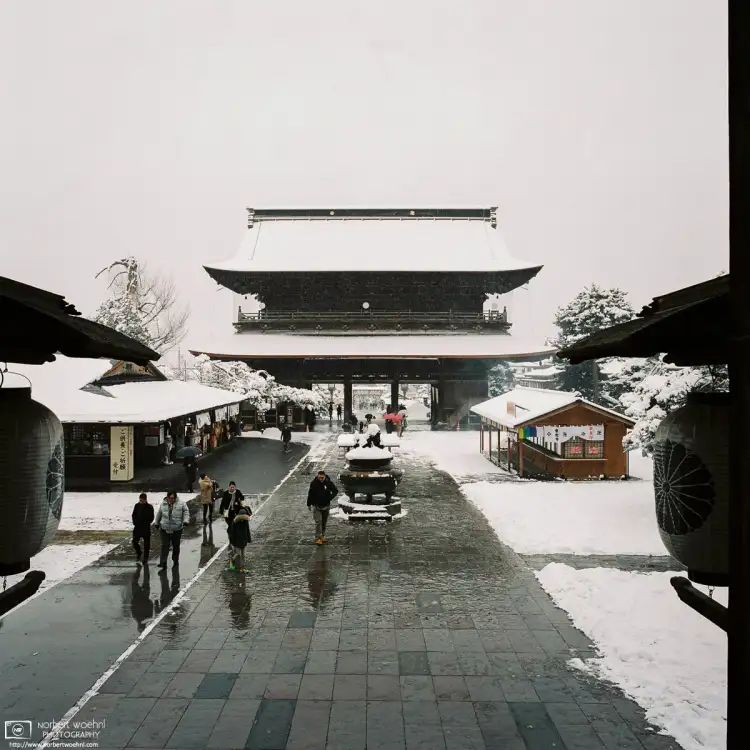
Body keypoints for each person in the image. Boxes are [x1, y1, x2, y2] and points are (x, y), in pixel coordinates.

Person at [154, 491, 191, 569]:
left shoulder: (182, 504)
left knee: (176, 546)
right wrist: (156, 523)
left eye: (172, 498)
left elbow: (186, 512)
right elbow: (159, 514)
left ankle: (175, 560)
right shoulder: (163, 504)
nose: (171, 499)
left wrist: (185, 521)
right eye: (169, 498)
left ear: (175, 498)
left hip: (176, 529)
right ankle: (163, 562)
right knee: (165, 546)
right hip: (164, 528)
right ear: (167, 498)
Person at [307, 470, 338, 545]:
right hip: (316, 506)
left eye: (322, 478)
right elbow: (310, 494)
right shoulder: (314, 483)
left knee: (324, 522)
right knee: (318, 522)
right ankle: (317, 538)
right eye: (319, 478)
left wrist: (330, 497)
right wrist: (309, 504)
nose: (321, 479)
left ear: (324, 476)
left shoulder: (328, 482)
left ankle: (322, 536)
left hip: (326, 506)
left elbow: (335, 490)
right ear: (318, 476)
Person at [227, 494, 253, 572]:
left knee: (243, 555)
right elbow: (231, 532)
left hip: (243, 541)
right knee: (237, 554)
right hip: (237, 542)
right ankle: (232, 560)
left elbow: (247, 531)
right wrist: (232, 541)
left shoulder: (245, 522)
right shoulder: (235, 523)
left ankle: (242, 568)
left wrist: (248, 539)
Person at [131, 492, 154, 564]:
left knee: (146, 544)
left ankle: (145, 558)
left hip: (145, 528)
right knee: (134, 541)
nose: (141, 502)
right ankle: (139, 552)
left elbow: (151, 517)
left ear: (145, 500)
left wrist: (147, 523)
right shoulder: (137, 506)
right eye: (140, 500)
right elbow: (134, 515)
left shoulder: (149, 507)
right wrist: (135, 522)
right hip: (137, 527)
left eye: (142, 500)